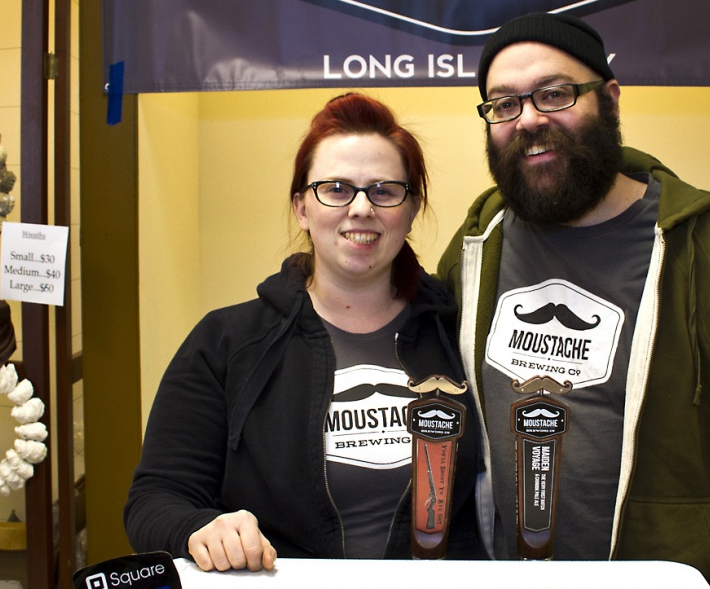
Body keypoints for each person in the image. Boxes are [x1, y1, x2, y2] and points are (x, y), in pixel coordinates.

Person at [437, 13, 710, 587]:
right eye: (504, 104)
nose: (529, 121)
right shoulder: (478, 246)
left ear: (610, 100)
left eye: (555, 94)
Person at [126, 93, 483, 570]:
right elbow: (154, 499)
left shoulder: (460, 335)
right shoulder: (225, 344)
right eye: (336, 188)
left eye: (384, 190)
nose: (361, 208)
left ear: (411, 207)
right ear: (301, 207)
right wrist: (200, 528)